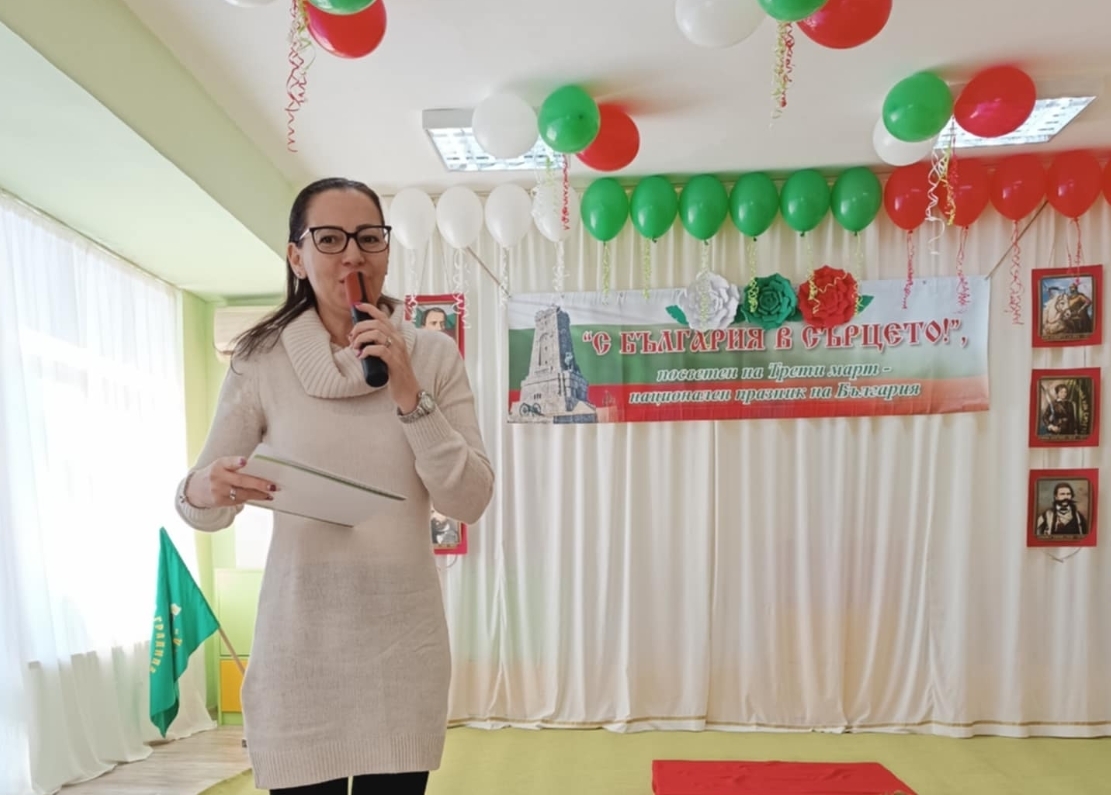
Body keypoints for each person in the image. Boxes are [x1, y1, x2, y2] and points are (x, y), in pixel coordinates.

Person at [174, 177, 494, 795]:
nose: (353, 255)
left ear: (386, 250)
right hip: (299, 649)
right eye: (330, 239)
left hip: (402, 647)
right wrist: (207, 488)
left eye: (369, 238)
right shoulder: (260, 360)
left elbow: (469, 498)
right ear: (297, 257)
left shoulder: (432, 356)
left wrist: (409, 392)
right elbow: (199, 509)